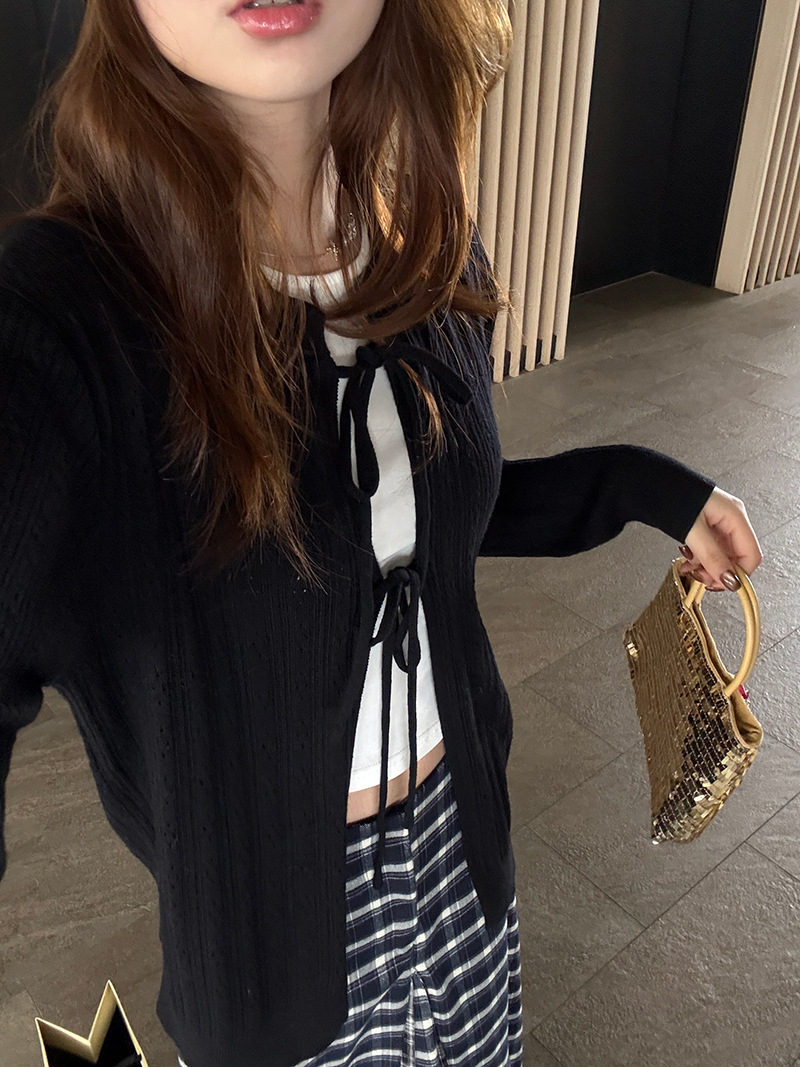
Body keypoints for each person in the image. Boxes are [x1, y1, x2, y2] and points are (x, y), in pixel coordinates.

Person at [0, 1, 763, 1066]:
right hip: (272, 947)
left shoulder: (424, 243)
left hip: (464, 851)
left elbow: (429, 525)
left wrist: (651, 488)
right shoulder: (58, 321)